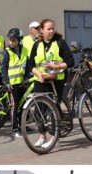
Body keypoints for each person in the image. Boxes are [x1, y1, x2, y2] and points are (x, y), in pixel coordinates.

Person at [25, 18, 74, 149]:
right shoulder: (37, 44)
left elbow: (70, 61)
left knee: (53, 108)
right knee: (39, 109)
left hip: (56, 79)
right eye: (48, 28)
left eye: (53, 28)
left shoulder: (60, 42)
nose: (51, 31)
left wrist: (57, 66)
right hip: (41, 79)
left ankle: (55, 137)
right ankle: (42, 135)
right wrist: (39, 74)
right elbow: (31, 64)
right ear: (42, 30)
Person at [1, 28, 30, 137]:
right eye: (10, 40)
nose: (11, 42)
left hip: (22, 82)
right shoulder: (7, 51)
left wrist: (27, 77)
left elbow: (27, 65)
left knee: (23, 104)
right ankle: (14, 128)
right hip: (12, 83)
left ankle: (23, 125)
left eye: (14, 40)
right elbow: (3, 67)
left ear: (19, 40)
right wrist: (6, 81)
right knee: (15, 105)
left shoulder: (25, 50)